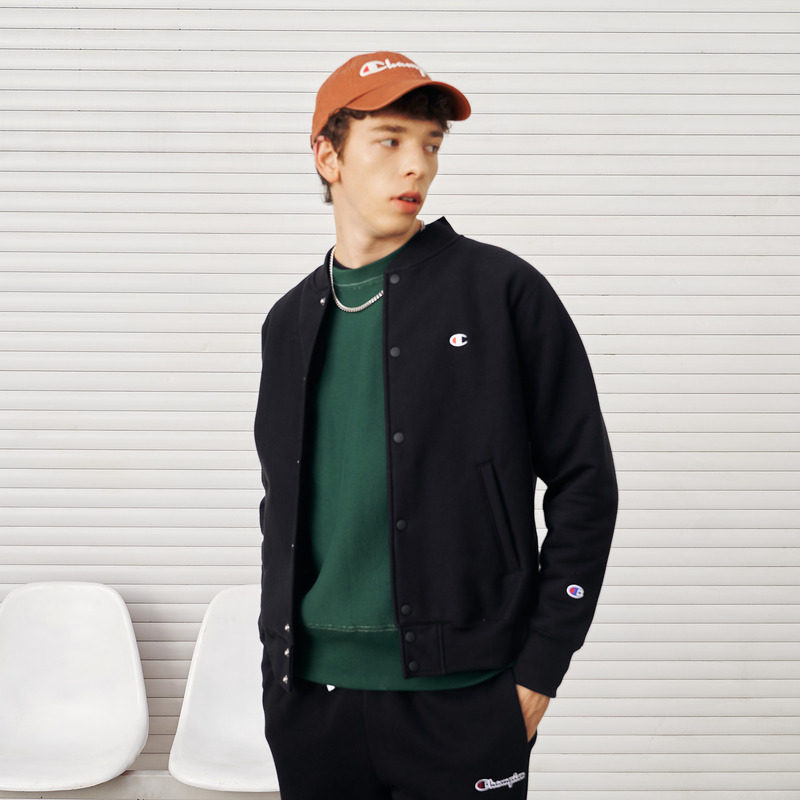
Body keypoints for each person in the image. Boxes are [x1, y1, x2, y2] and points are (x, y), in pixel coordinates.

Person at [253, 51, 619, 800]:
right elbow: (281, 510)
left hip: (466, 698)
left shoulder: (502, 291)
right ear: (328, 155)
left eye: (430, 143)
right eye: (389, 140)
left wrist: (541, 668)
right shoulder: (289, 322)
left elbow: (586, 483)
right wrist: (276, 676)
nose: (416, 165)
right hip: (314, 704)